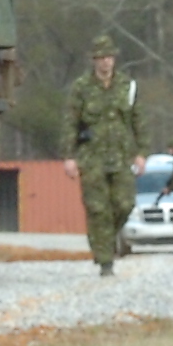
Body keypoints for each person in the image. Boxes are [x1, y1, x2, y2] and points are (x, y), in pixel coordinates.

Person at [59, 33, 141, 276]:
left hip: (121, 156)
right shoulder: (81, 88)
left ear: (114, 59)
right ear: (93, 60)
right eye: (100, 58)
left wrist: (141, 153)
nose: (105, 62)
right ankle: (105, 261)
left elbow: (138, 120)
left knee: (125, 204)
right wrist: (69, 156)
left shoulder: (127, 86)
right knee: (98, 209)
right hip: (92, 157)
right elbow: (70, 122)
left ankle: (106, 237)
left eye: (109, 57)